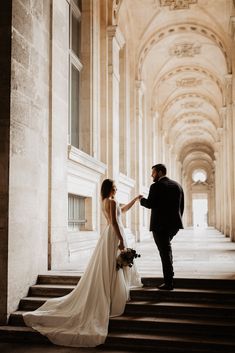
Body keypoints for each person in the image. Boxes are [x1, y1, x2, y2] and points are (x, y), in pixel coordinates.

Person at [23, 179, 142, 347]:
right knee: (114, 266)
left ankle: (111, 294)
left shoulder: (105, 201)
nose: (115, 190)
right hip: (115, 234)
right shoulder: (112, 201)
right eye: (114, 187)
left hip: (108, 235)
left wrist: (135, 200)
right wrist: (122, 240)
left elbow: (121, 211)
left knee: (112, 266)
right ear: (109, 188)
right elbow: (115, 222)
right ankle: (112, 298)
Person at [140, 164, 184, 290]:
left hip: (159, 226)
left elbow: (150, 204)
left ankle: (169, 282)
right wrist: (176, 222)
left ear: (159, 172)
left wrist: (141, 200)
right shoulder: (177, 186)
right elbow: (181, 207)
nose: (151, 175)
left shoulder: (156, 186)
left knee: (165, 252)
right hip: (174, 226)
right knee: (166, 250)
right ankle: (170, 277)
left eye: (153, 173)